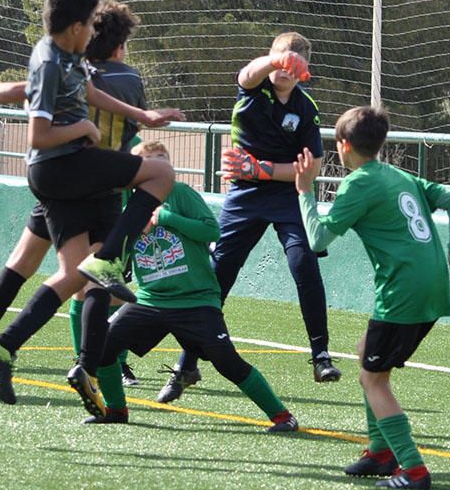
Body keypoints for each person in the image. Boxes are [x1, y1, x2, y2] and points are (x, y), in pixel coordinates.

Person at [0, 0, 182, 414]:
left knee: (78, 276)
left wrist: (141, 116)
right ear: (78, 27)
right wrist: (83, 129)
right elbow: (38, 136)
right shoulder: (50, 61)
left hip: (70, 173)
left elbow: (78, 91)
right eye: (89, 26)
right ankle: (109, 266)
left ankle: (6, 346)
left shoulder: (64, 56)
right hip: (62, 168)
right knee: (161, 173)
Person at [294, 105, 450, 490]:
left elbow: (317, 239)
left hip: (402, 292)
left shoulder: (358, 183)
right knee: (366, 351)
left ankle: (412, 468)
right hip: (429, 286)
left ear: (343, 146)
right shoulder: (397, 174)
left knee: (373, 379)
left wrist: (305, 190)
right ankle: (380, 450)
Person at [160, 32, 339, 404]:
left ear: (305, 69)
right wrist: (275, 61)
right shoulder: (254, 90)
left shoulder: (306, 109)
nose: (284, 69)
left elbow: (309, 171)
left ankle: (321, 356)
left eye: (293, 63)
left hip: (287, 197)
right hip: (244, 196)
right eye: (279, 60)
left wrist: (260, 169)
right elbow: (246, 74)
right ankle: (186, 363)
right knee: (217, 274)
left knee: (304, 263)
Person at [84, 141, 299, 433]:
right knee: (104, 347)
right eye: (151, 161)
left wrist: (166, 218)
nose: (161, 167)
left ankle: (283, 417)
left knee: (227, 362)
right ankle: (116, 410)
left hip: (196, 300)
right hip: (150, 300)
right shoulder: (127, 206)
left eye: (163, 160)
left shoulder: (180, 194)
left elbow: (211, 231)